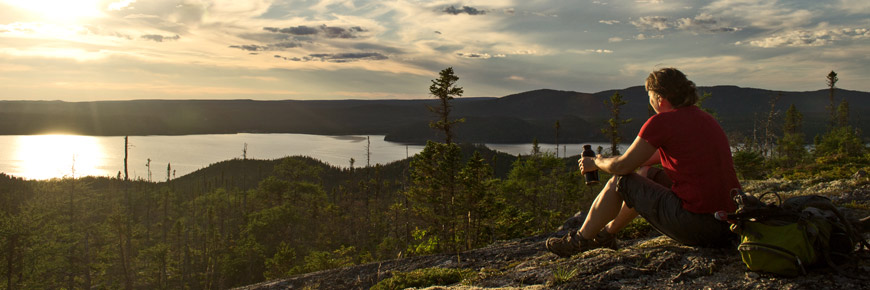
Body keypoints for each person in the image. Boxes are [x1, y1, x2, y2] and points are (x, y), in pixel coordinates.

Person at [546, 67, 741, 257]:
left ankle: (579, 241)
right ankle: (606, 234)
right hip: (729, 225)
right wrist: (605, 161)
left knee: (622, 181)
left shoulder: (662, 122)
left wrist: (596, 163)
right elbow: (643, 160)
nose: (650, 101)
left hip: (697, 225)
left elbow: (623, 167)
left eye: (649, 96)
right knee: (647, 174)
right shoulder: (704, 119)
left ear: (659, 98)